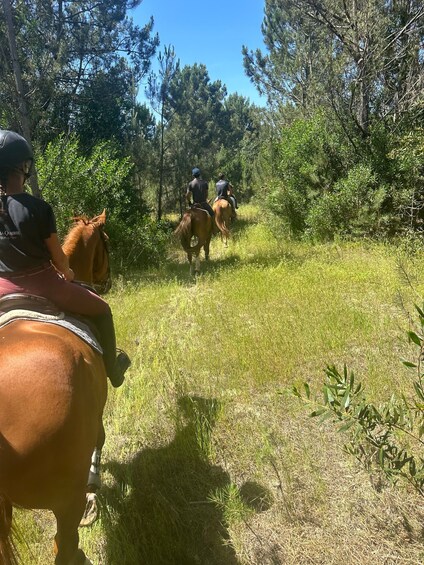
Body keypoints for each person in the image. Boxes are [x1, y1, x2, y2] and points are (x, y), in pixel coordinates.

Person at [0, 129, 130, 388]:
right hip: (44, 284)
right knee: (103, 310)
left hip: (2, 288)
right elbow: (58, 258)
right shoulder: (38, 208)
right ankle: (113, 372)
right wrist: (68, 273)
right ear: (23, 167)